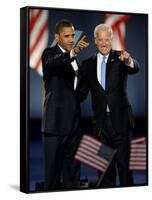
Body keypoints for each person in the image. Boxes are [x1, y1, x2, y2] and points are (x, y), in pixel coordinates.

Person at [80, 24, 139, 187]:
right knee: (104, 172)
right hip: (100, 127)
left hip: (120, 123)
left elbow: (135, 68)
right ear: (95, 41)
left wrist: (128, 60)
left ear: (112, 40)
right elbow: (81, 93)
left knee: (125, 170)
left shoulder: (121, 58)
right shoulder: (87, 64)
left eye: (107, 39)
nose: (104, 43)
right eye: (101, 39)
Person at [41, 19, 89, 190]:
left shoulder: (76, 61)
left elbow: (79, 90)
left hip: (74, 126)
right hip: (54, 125)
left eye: (72, 36)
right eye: (66, 36)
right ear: (57, 36)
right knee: (52, 177)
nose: (70, 39)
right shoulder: (49, 54)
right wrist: (73, 52)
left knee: (73, 176)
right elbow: (51, 63)